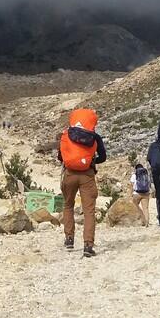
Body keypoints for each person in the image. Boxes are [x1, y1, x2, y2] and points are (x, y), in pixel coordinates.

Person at [56, 107, 107, 257]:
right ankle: (88, 245)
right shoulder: (94, 137)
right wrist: (91, 161)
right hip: (87, 175)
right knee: (89, 211)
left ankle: (69, 239)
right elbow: (103, 157)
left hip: (70, 174)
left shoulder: (66, 134)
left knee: (68, 205)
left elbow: (60, 157)